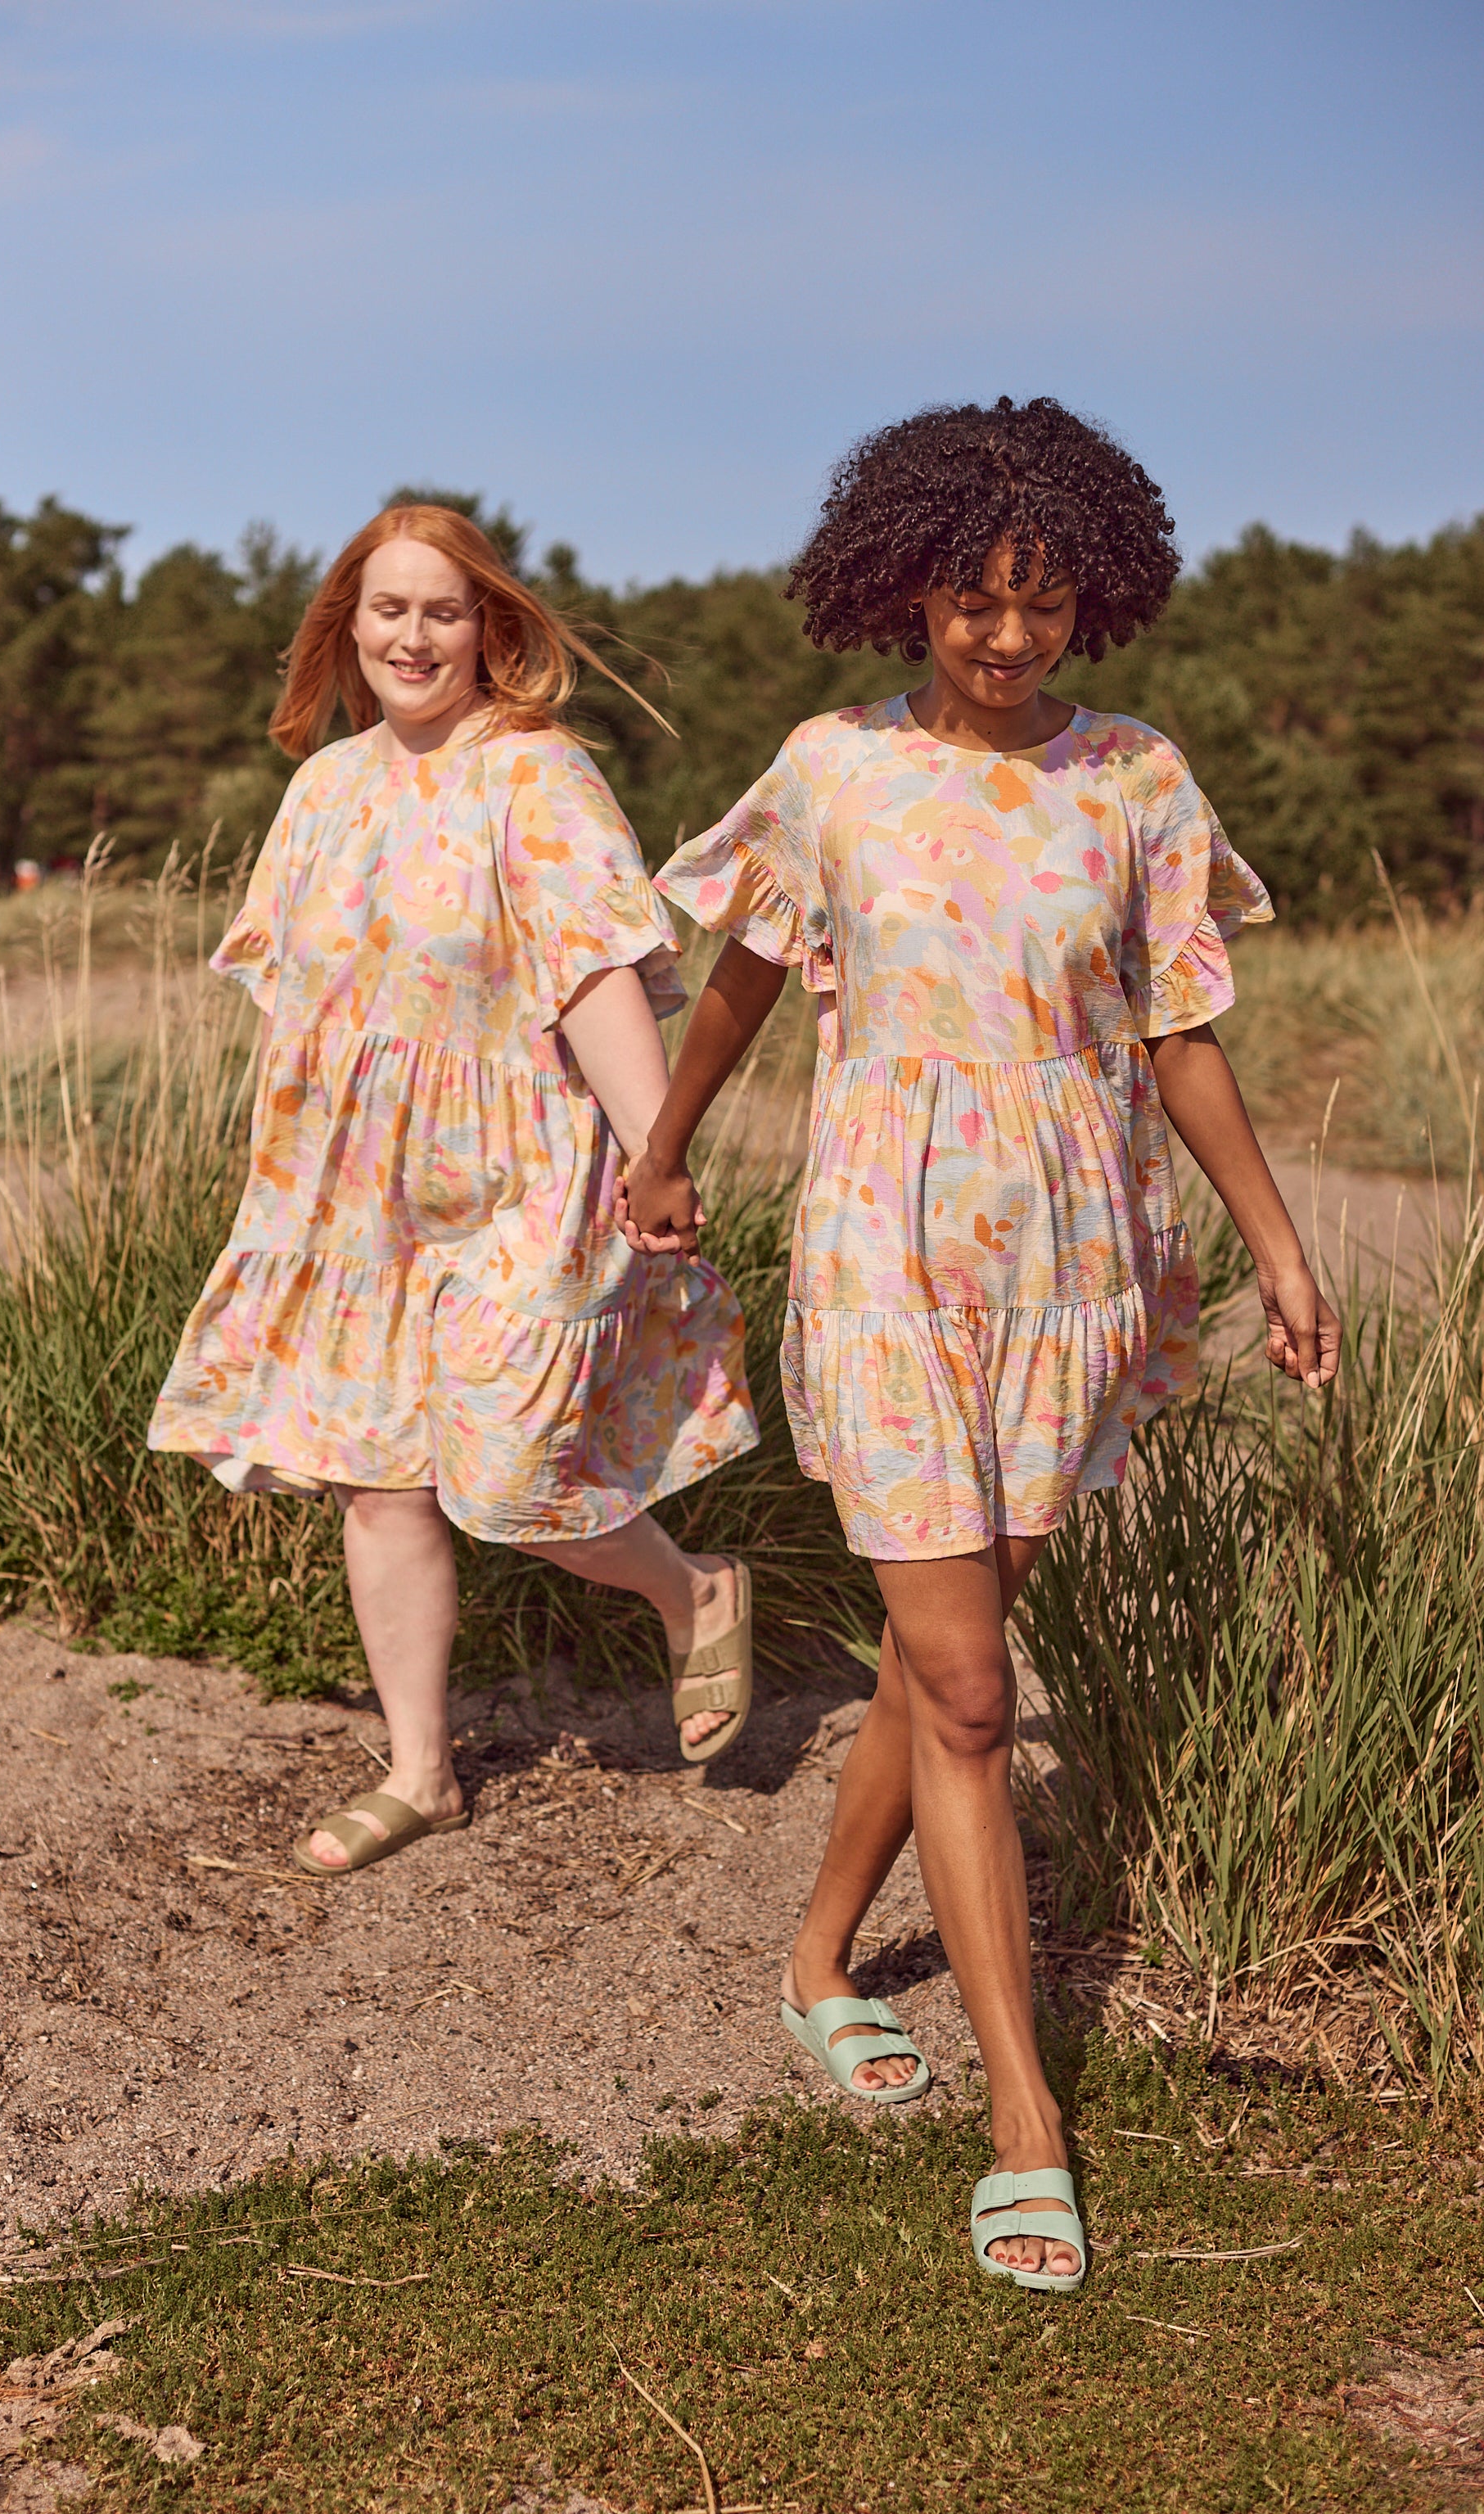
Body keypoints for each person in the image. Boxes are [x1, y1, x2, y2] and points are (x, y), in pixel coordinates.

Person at [619, 398, 1341, 2295]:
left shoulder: (1137, 780)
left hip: (1076, 1267)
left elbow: (1180, 1033)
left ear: (1097, 598)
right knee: (963, 1689)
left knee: (945, 1658)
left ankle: (812, 1961)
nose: (1007, 637)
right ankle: (1026, 2122)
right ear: (906, 589)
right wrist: (666, 1146)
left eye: (1043, 603)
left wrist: (1276, 1250)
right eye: (971, 600)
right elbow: (743, 976)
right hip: (884, 1253)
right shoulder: (831, 770)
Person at [149, 502, 759, 1875]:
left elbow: (593, 975)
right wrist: (290, 1181)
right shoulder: (325, 788)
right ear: (348, 625)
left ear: (492, 627)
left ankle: (693, 1588)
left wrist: (656, 1150)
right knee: (378, 1481)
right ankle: (421, 1774)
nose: (413, 637)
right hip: (352, 1191)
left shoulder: (536, 777)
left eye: (443, 611)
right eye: (389, 610)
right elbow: (302, 1007)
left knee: (516, 1468)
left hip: (523, 1169)